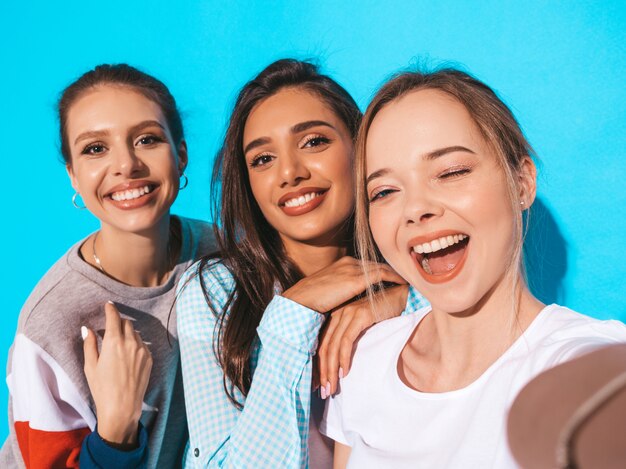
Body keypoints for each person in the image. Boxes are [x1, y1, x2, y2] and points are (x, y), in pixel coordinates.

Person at [321, 68, 626, 468]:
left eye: (451, 172)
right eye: (385, 191)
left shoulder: (580, 361)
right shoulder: (362, 359)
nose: (416, 209)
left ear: (521, 183)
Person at [177, 59, 427, 468]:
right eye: (262, 160)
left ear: (359, 148)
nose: (290, 173)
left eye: (313, 142)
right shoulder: (216, 290)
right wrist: (291, 316)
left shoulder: (409, 256)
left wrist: (401, 302)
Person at [1, 64, 215, 468]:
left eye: (147, 139)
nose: (126, 165)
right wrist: (115, 434)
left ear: (181, 154)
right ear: (74, 177)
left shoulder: (222, 256)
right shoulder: (51, 323)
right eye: (95, 149)